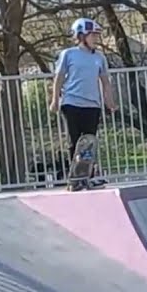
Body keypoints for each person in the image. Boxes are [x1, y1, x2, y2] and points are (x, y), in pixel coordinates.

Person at [49, 17, 116, 186]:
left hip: (92, 105)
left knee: (90, 141)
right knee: (74, 141)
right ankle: (75, 177)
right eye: (92, 35)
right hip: (71, 102)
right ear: (81, 36)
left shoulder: (100, 58)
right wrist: (55, 100)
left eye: (96, 35)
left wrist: (109, 102)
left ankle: (90, 175)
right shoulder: (68, 54)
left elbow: (105, 81)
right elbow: (58, 78)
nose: (95, 38)